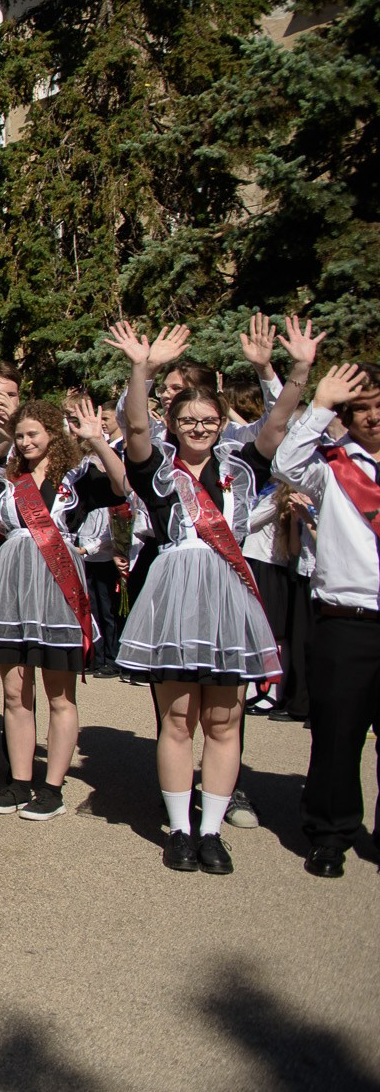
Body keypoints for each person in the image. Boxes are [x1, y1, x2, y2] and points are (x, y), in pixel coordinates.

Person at [109, 319, 311, 873]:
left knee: (224, 720)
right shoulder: (155, 469)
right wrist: (141, 369)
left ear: (222, 425)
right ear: (173, 424)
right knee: (177, 719)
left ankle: (212, 829)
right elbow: (134, 426)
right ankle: (177, 828)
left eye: (209, 420)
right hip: (174, 597)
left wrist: (296, 371)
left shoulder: (243, 468)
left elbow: (277, 424)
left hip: (227, 596)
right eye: (188, 420)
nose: (199, 427)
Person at [0, 396, 128, 822]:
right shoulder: (8, 481)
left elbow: (121, 486)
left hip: (56, 585)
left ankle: (52, 788)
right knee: (13, 691)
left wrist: (98, 443)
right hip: (12, 587)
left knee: (59, 693)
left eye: (33, 434)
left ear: (52, 435)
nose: (25, 442)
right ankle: (19, 781)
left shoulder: (75, 476)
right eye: (20, 435)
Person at [271, 360, 380, 880]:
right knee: (338, 734)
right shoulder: (330, 466)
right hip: (347, 620)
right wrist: (318, 407)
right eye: (360, 408)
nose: (373, 417)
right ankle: (330, 832)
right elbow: (283, 465)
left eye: (379, 405)